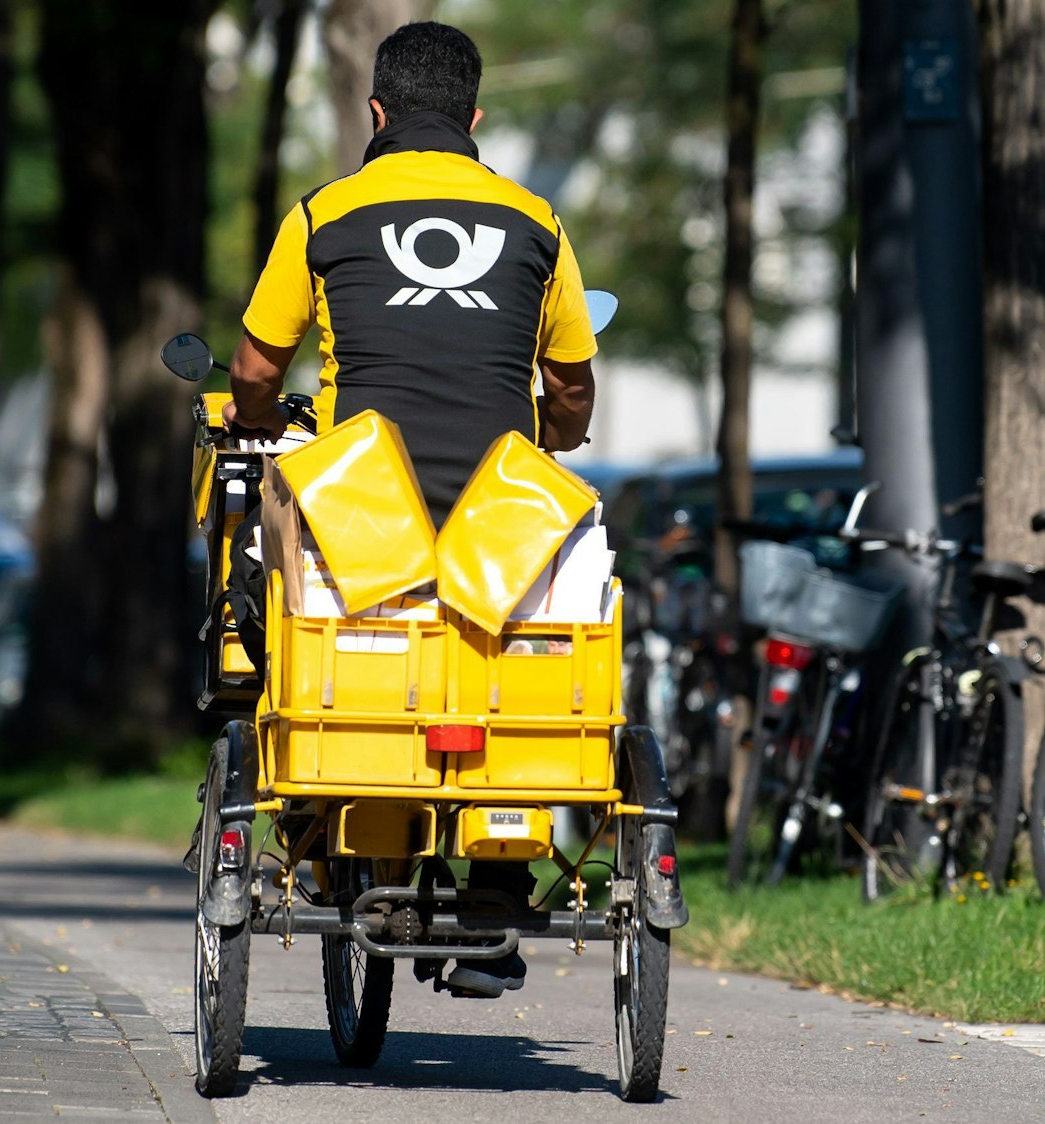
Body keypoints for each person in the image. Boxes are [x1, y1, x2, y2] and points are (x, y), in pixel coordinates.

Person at [226, 21, 597, 999]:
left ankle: (310, 781)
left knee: (257, 550)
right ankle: (498, 882)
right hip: (498, 513)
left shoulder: (324, 213)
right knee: (528, 641)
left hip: (365, 511)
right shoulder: (537, 222)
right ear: (475, 118)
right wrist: (558, 432)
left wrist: (257, 415)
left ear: (376, 111)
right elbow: (569, 386)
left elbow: (256, 367)